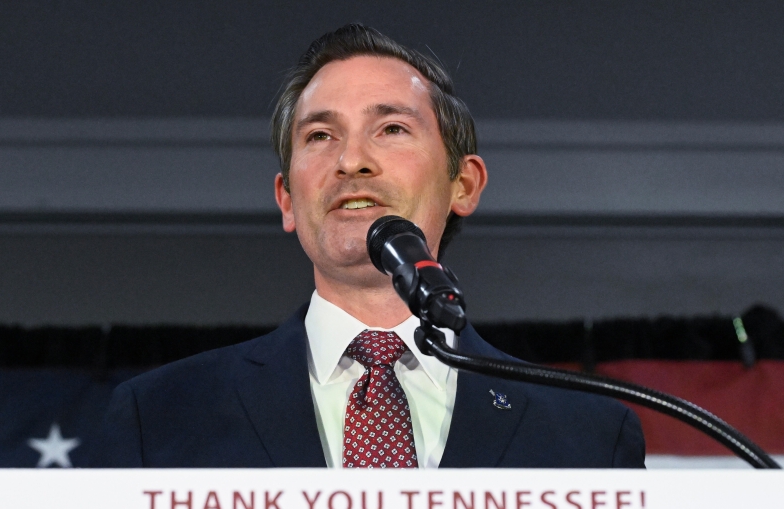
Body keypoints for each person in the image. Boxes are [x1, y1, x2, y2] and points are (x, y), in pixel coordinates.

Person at [91, 24, 644, 469]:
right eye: (320, 136)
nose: (351, 160)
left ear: (463, 184)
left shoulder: (590, 435)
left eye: (392, 129)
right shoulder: (156, 417)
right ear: (287, 199)